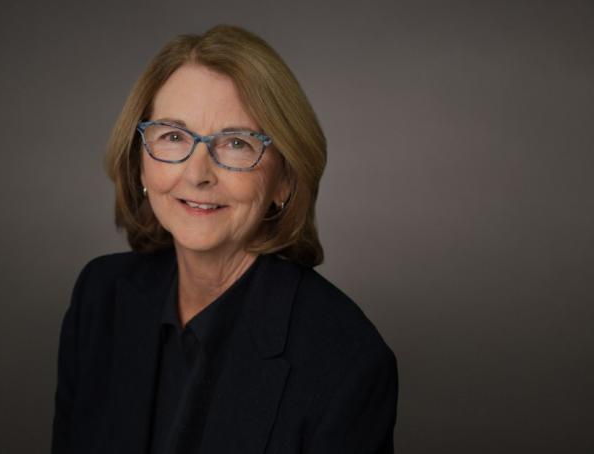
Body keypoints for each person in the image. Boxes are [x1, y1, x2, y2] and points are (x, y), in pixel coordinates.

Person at [52, 25, 398, 454]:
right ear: (141, 161)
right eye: (173, 136)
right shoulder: (100, 299)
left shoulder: (346, 360)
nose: (197, 174)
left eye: (236, 143)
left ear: (284, 181)